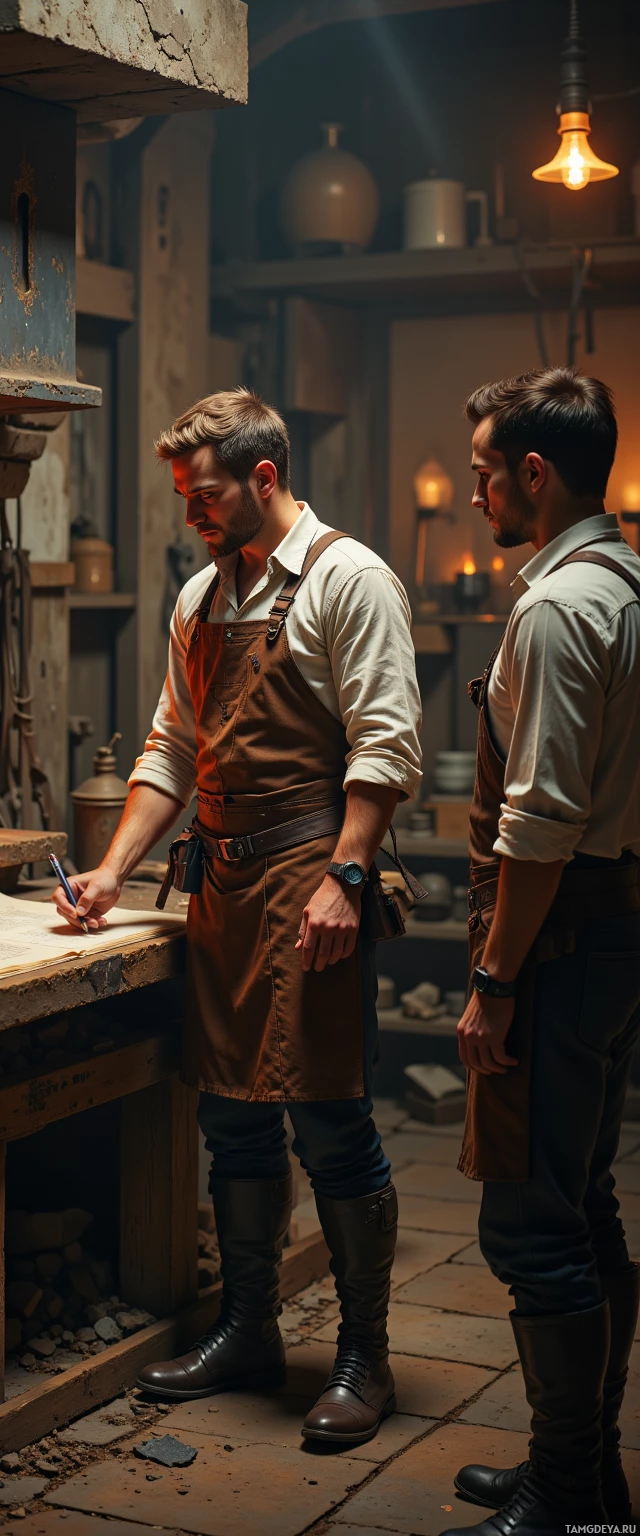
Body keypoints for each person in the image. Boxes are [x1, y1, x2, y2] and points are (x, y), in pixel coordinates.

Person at [52, 389, 422, 1445]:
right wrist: (112, 870)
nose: (189, 514)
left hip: (311, 879)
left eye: (204, 494)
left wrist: (345, 876)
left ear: (264, 478)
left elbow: (386, 743)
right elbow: (171, 747)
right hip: (220, 887)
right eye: (182, 495)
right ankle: (249, 1328)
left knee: (331, 1123)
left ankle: (365, 1358)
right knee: (232, 1117)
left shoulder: (349, 581)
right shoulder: (201, 598)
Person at [440, 369, 640, 1536]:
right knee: (583, 1201)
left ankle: (564, 1492)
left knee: (528, 1222)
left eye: (483, 474)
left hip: (559, 942)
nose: (474, 495)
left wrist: (494, 981)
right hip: (611, 931)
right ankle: (588, 1476)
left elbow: (542, 820)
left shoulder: (560, 609)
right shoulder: (626, 584)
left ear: (533, 473)